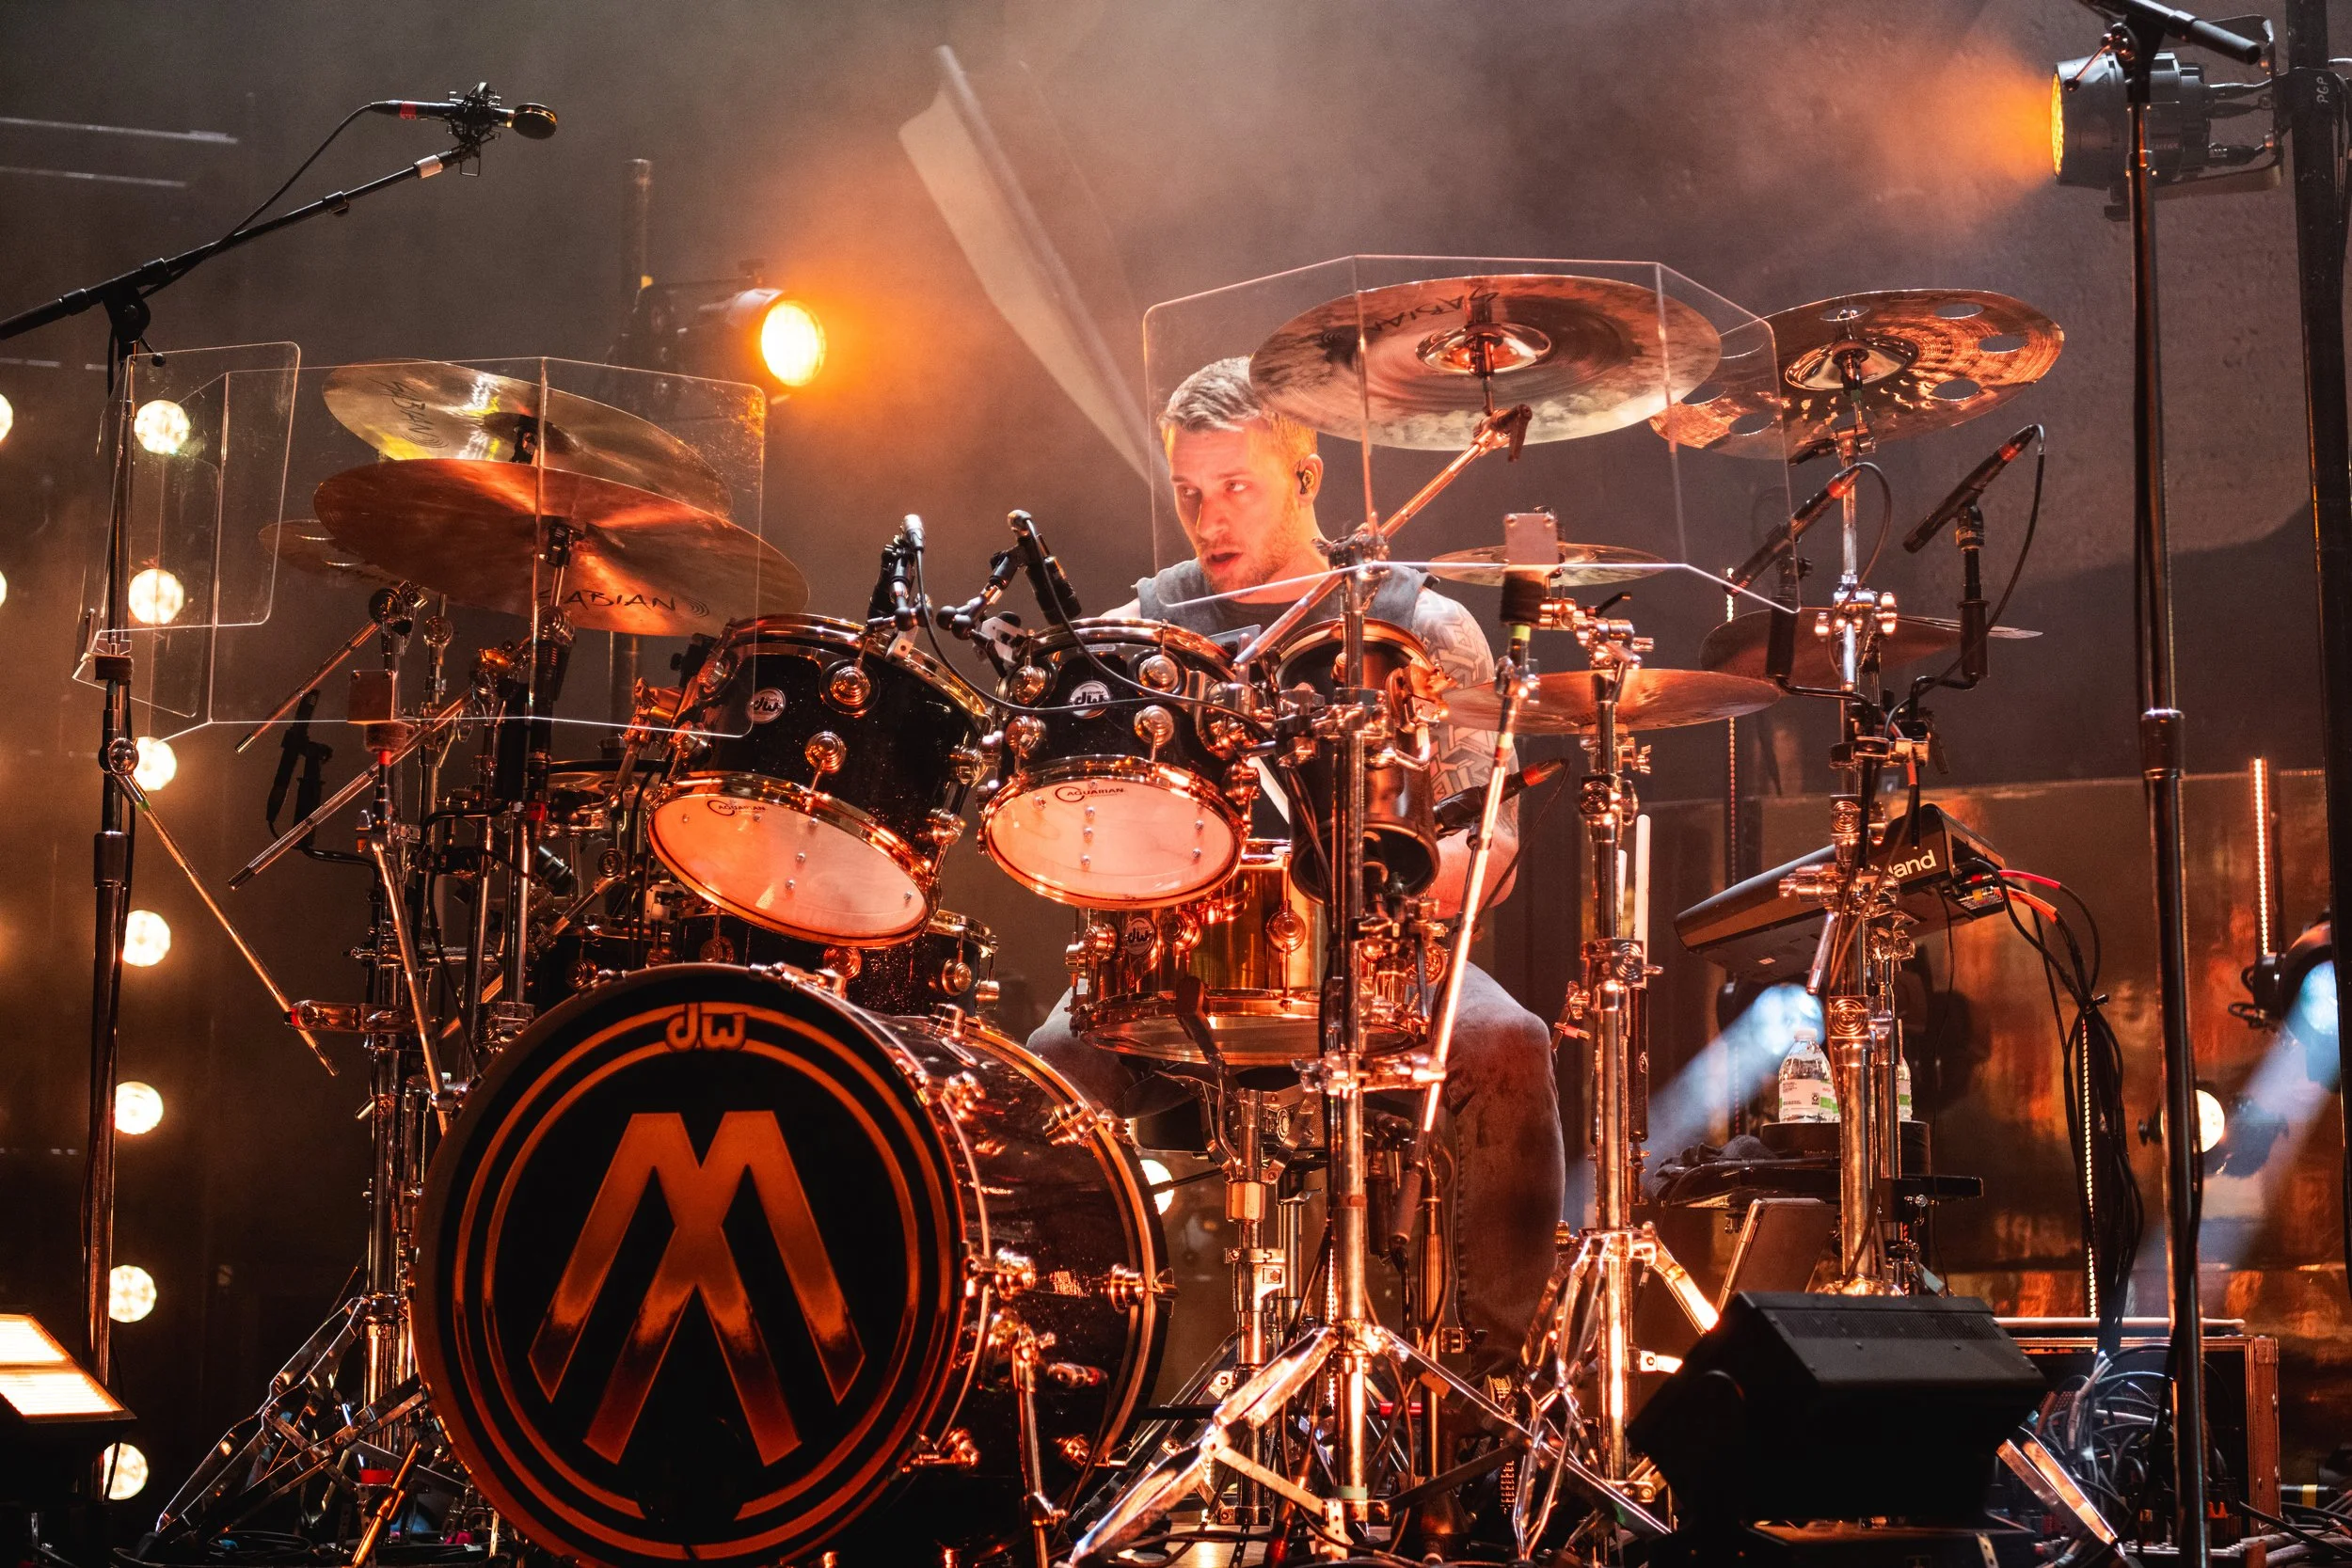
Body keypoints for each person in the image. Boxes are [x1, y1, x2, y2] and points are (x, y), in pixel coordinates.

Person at [1026, 356, 1565, 1365]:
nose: (1210, 517)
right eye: (1189, 492)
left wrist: (1372, 880)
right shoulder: (1144, 632)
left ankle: (1490, 1387)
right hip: (1186, 959)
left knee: (1506, 1043)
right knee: (1047, 1072)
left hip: (1379, 959)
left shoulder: (1420, 625)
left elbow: (1491, 849)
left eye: (1237, 486)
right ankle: (1069, 1376)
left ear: (1306, 477)